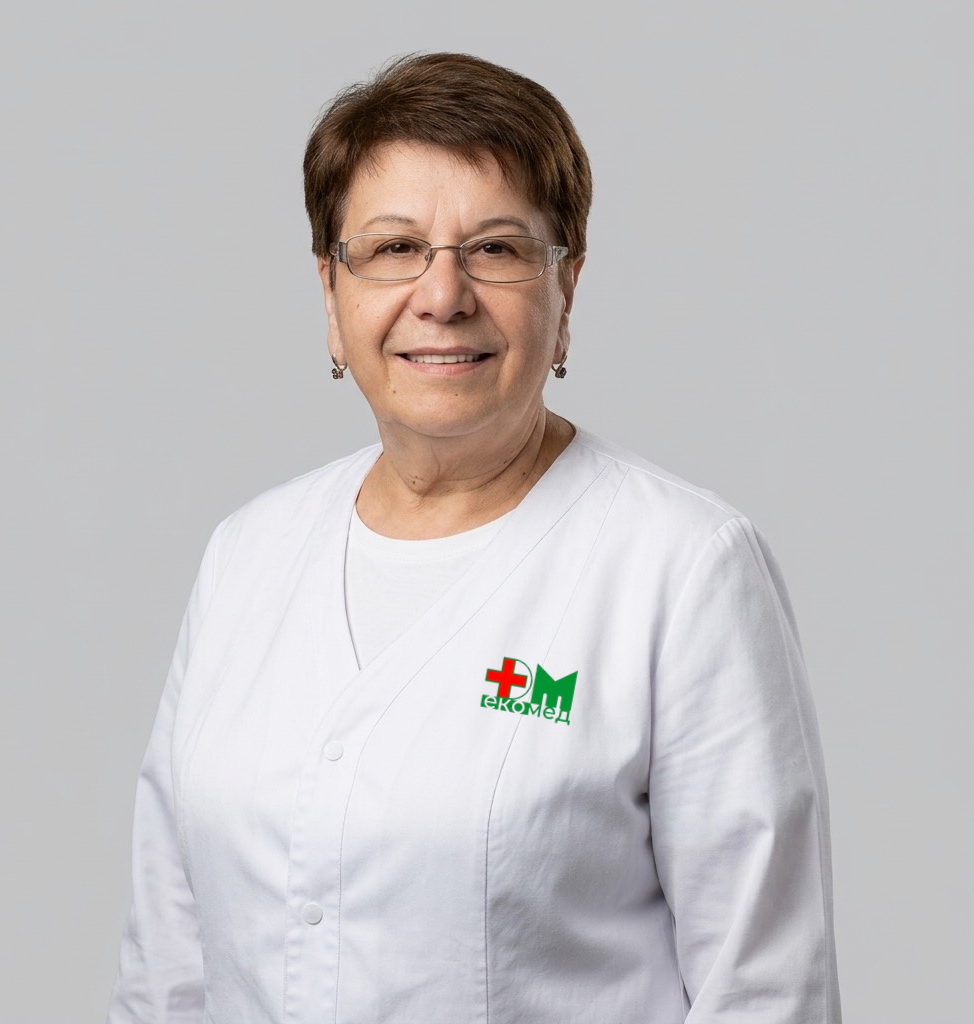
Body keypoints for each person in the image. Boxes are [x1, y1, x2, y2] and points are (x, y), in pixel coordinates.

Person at [107, 52, 841, 1023]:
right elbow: (166, 971)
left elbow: (765, 991)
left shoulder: (683, 568)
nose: (442, 294)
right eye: (393, 248)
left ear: (565, 290)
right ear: (331, 295)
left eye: (494, 249)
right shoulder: (246, 557)